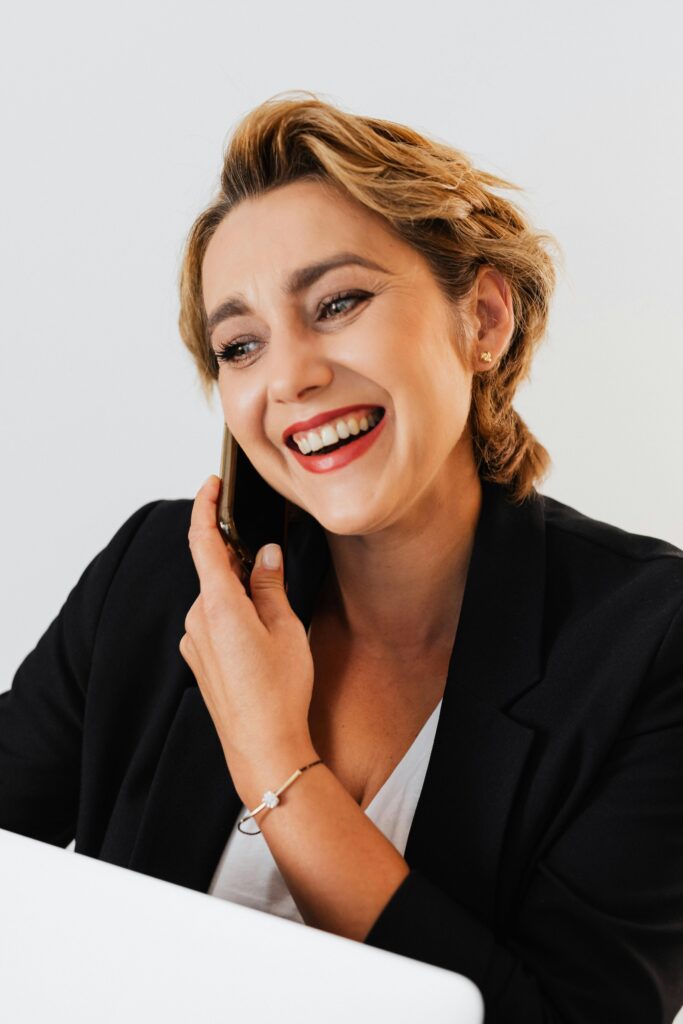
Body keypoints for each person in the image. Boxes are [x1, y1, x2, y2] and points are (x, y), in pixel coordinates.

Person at [2, 92, 682, 1023]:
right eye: (239, 345)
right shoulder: (159, 578)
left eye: (339, 302)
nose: (288, 377)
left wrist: (274, 759)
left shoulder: (650, 644)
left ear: (482, 318)